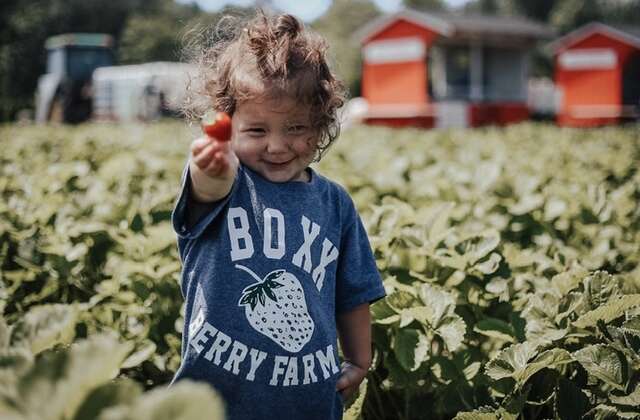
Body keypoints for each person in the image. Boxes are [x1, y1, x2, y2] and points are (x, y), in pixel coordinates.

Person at [169, 11, 386, 420]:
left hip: (308, 400)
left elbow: (354, 293)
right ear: (226, 124)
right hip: (215, 400)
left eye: (295, 127)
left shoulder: (335, 204)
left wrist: (359, 361)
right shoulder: (227, 184)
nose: (277, 145)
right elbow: (206, 187)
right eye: (256, 131)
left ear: (321, 124)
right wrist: (211, 165)